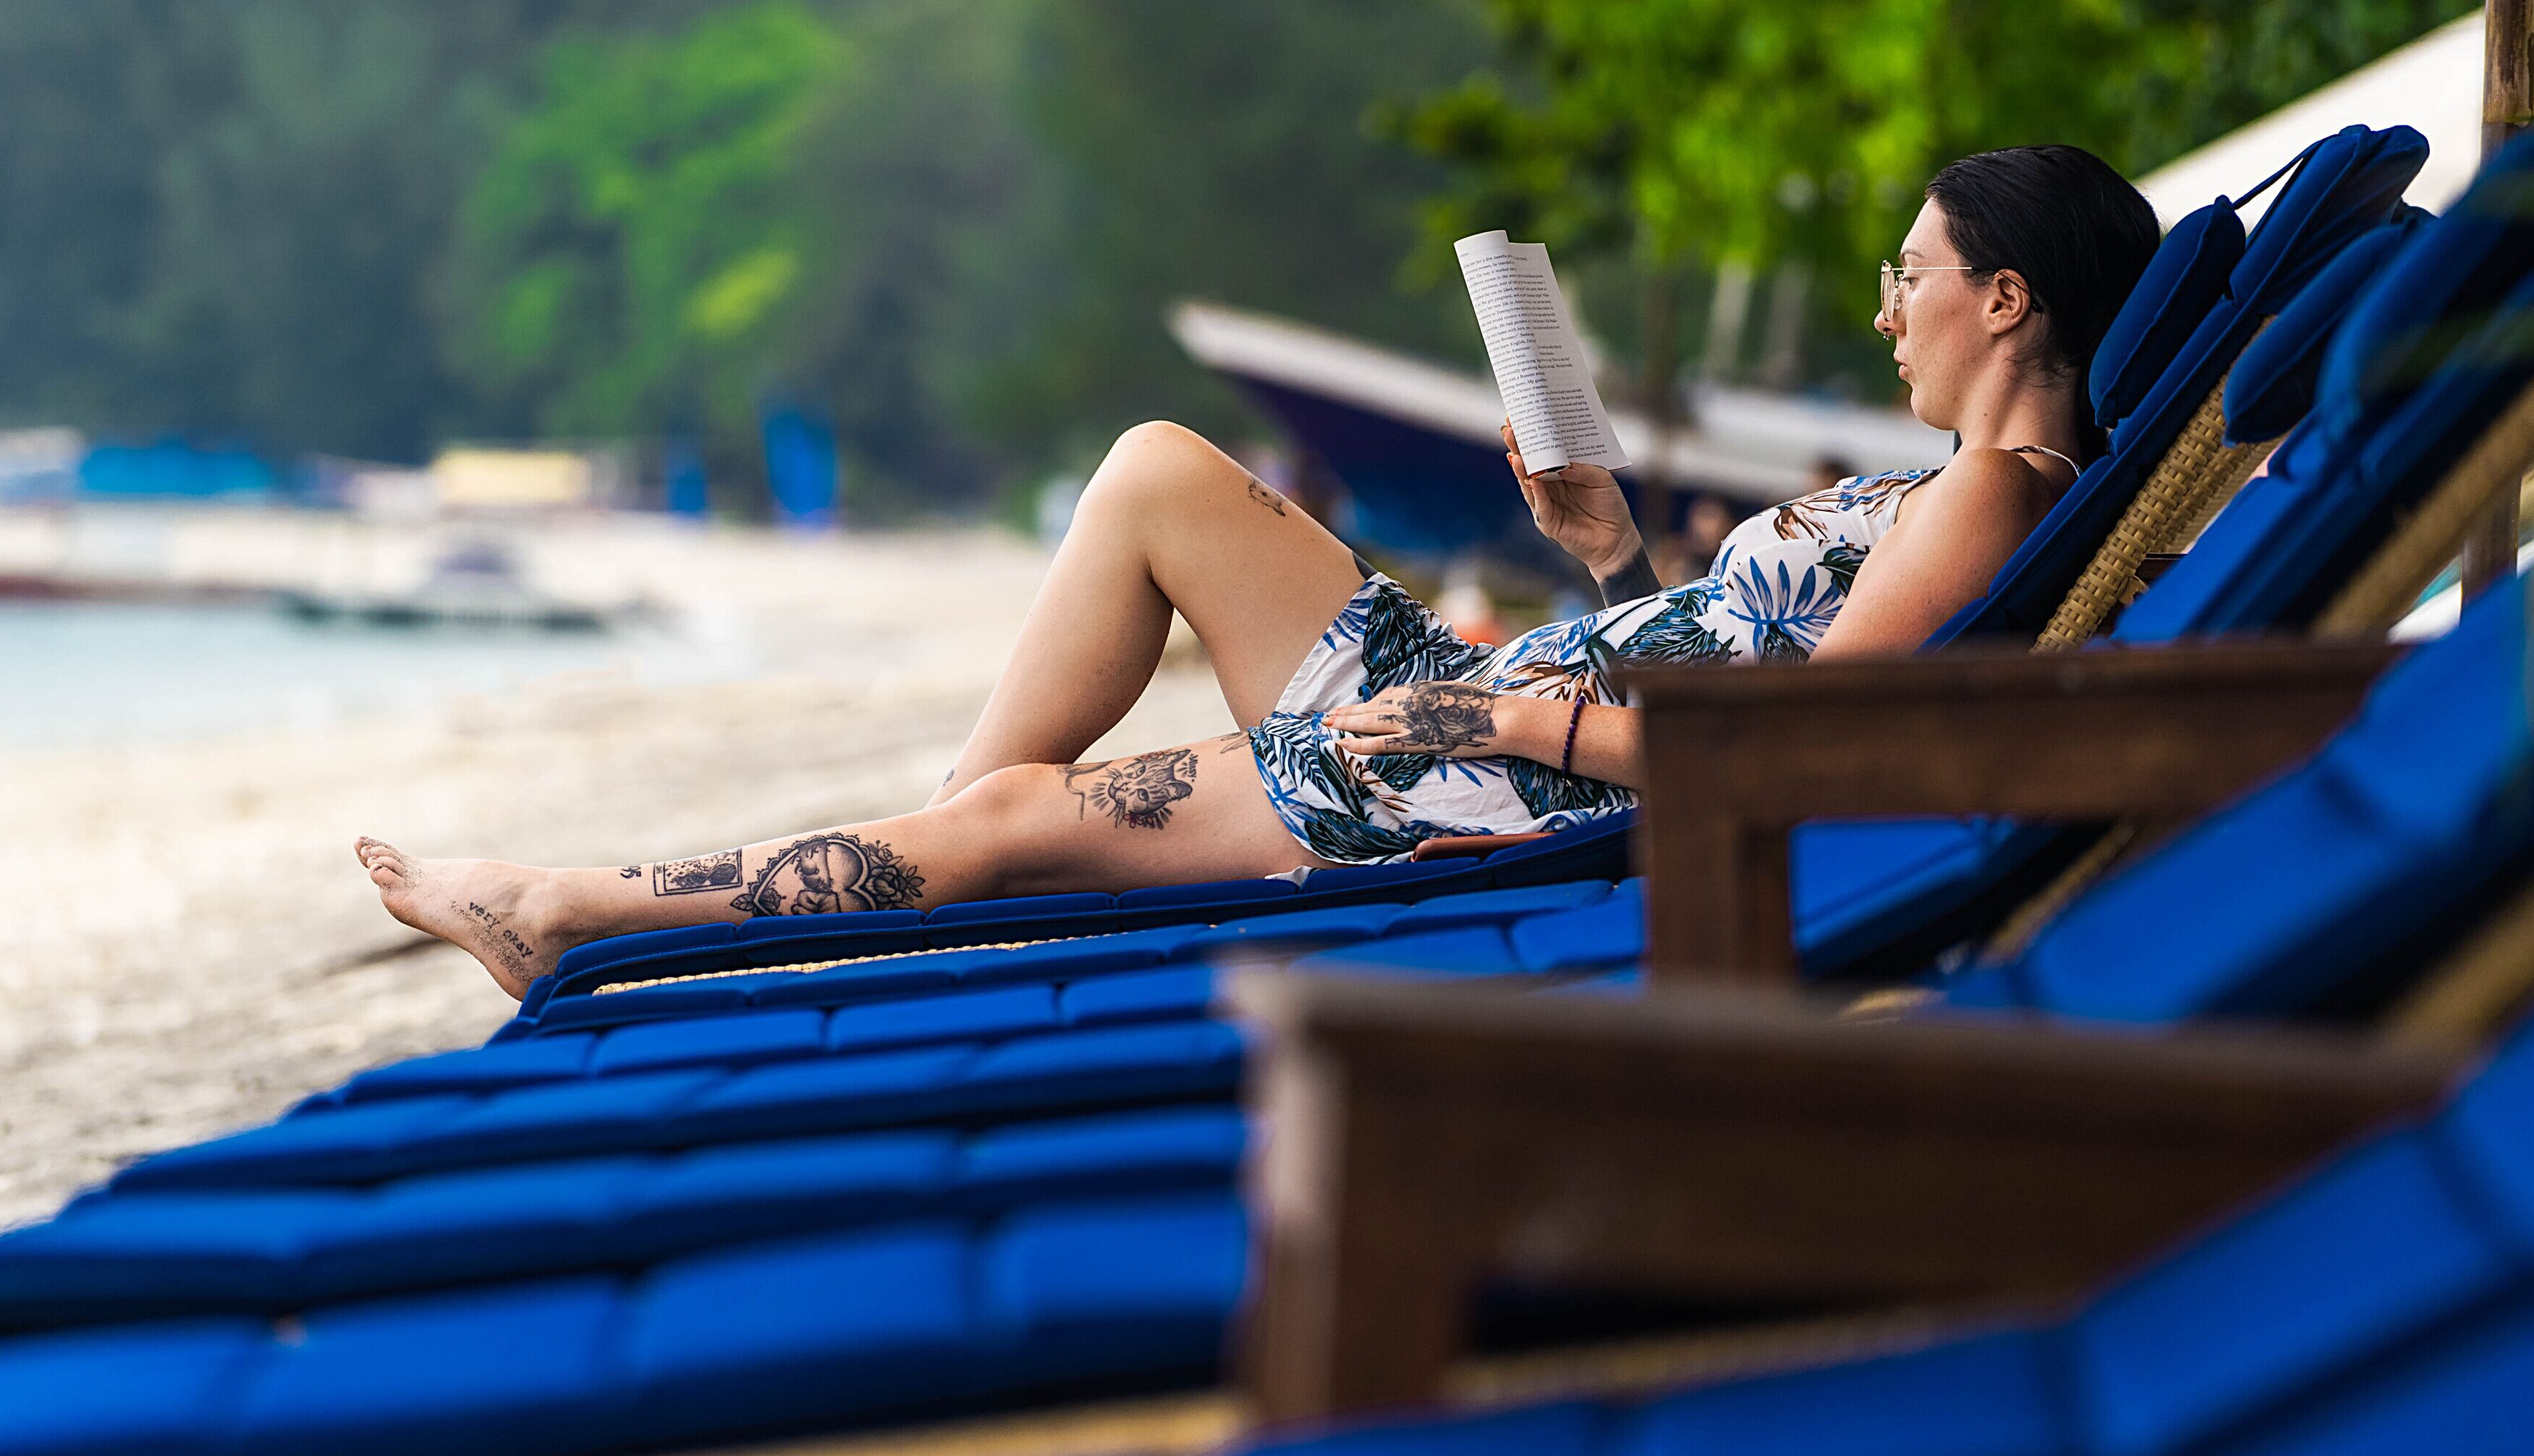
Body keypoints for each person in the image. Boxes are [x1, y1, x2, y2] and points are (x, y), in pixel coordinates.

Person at [361, 145, 2162, 997]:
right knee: (1159, 467)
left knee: (1021, 816)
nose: (1888, 308)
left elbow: (1790, 753)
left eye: (1912, 273)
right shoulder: (1959, 488)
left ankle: (573, 904)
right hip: (1508, 711)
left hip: (1498, 771)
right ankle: (930, 859)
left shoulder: (1988, 493)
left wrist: (1496, 719)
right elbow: (1745, 659)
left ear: (2007, 297)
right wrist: (1609, 553)